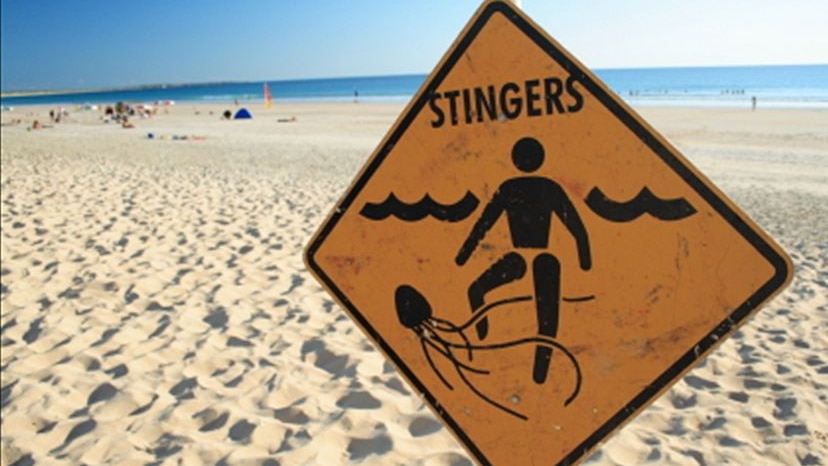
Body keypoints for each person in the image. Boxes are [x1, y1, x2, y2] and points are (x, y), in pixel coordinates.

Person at [455, 137, 591, 384]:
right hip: (544, 259)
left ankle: (484, 335)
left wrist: (463, 255)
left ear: (515, 160)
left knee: (475, 290)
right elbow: (576, 227)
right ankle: (540, 378)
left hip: (517, 259)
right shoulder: (549, 187)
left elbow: (482, 225)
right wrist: (584, 259)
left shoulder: (509, 187)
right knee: (547, 324)